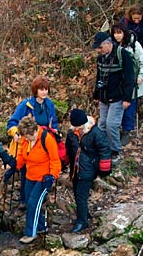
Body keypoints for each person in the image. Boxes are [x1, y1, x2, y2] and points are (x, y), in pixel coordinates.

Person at [6, 76, 59, 209]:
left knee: (43, 170)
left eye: (46, 89)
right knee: (25, 170)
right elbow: (12, 122)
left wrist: (55, 131)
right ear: (35, 90)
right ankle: (24, 199)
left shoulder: (49, 105)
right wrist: (15, 133)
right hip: (27, 141)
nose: (44, 92)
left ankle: (39, 198)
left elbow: (54, 122)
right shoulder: (26, 105)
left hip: (43, 141)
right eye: (41, 90)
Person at [12, 116, 61, 244]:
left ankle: (30, 233)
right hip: (30, 176)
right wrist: (14, 167)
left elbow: (55, 160)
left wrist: (52, 176)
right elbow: (22, 156)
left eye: (29, 136)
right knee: (29, 202)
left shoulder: (47, 139)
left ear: (34, 131)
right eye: (25, 137)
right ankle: (40, 227)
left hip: (43, 179)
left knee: (34, 203)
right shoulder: (25, 140)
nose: (27, 139)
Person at [65, 108, 111, 233]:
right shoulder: (71, 134)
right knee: (77, 193)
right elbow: (68, 151)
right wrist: (63, 163)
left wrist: (104, 169)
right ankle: (84, 214)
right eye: (76, 126)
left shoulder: (95, 132)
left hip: (88, 169)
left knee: (81, 195)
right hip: (75, 169)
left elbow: (105, 150)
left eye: (80, 126)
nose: (78, 128)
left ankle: (82, 221)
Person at [92, 31, 134, 161]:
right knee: (102, 124)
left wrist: (127, 98)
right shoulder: (101, 58)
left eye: (100, 47)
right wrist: (96, 94)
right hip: (104, 96)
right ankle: (103, 149)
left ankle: (115, 151)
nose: (99, 50)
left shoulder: (123, 55)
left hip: (118, 97)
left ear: (108, 44)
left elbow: (129, 78)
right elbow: (99, 76)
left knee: (112, 125)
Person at [110, 22, 143, 146]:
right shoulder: (112, 46)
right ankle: (118, 130)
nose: (117, 36)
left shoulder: (134, 45)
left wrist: (141, 77)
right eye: (115, 33)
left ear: (124, 33)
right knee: (118, 107)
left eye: (119, 33)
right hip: (118, 83)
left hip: (132, 82)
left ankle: (127, 131)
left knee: (129, 107)